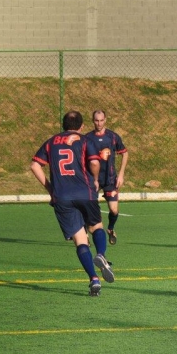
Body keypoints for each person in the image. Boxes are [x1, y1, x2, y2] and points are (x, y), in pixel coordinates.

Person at [30, 110, 116, 296]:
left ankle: (94, 279)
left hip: (62, 197)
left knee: (80, 241)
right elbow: (94, 163)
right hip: (84, 193)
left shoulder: (51, 141)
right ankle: (101, 254)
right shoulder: (85, 140)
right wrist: (94, 179)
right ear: (82, 126)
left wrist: (51, 189)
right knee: (96, 227)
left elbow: (34, 165)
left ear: (63, 125)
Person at [85, 110, 128, 245]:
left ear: (105, 120)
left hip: (110, 179)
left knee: (114, 210)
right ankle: (84, 232)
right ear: (93, 121)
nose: (99, 123)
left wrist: (121, 174)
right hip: (92, 180)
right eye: (96, 120)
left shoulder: (113, 137)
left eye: (101, 120)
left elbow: (125, 153)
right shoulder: (87, 138)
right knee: (88, 208)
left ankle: (111, 229)